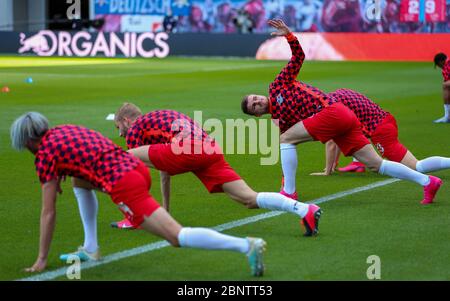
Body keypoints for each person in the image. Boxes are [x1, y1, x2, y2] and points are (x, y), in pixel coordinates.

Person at [10, 112, 266, 276]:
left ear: (29, 141)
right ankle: (91, 248)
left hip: (124, 182)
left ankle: (246, 246)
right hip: (134, 168)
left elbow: (48, 210)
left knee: (175, 236)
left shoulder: (44, 154)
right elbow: (90, 152)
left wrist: (42, 258)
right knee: (80, 182)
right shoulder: (65, 128)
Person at [68, 105, 321, 254]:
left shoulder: (136, 130)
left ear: (126, 120)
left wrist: (153, 211)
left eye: (118, 127)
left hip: (188, 149)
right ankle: (303, 210)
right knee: (248, 198)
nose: (120, 132)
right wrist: (165, 209)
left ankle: (131, 217)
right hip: (209, 147)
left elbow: (136, 172)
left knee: (122, 159)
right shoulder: (157, 119)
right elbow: (164, 169)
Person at [241, 19, 442, 205]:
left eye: (255, 98)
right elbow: (288, 151)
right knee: (376, 165)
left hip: (331, 112)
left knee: (285, 140)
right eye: (254, 105)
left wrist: (289, 36)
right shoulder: (281, 121)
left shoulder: (277, 86)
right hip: (340, 119)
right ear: (258, 114)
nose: (257, 101)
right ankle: (427, 181)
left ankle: (289, 193)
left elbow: (299, 57)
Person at [311, 89, 450, 189]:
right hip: (386, 120)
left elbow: (331, 142)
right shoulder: (339, 93)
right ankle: (357, 163)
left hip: (380, 130)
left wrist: (327, 171)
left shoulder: (330, 107)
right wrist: (333, 164)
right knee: (356, 134)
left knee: (417, 166)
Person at [433, 53, 450, 123]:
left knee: (445, 85)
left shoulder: (448, 64)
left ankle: (447, 116)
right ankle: (448, 116)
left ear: (440, 62)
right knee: (446, 85)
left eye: (438, 65)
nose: (439, 67)